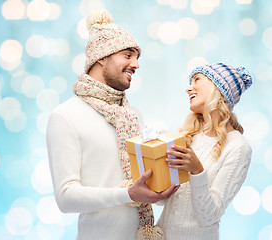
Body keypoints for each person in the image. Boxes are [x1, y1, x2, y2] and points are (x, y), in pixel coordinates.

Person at [46, 9, 176, 240]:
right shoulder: (65, 116)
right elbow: (65, 198)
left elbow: (144, 184)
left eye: (137, 57)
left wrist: (164, 185)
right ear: (102, 56)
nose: (136, 64)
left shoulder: (132, 115)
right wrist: (127, 194)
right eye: (128, 55)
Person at [156, 63, 253, 239]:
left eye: (197, 79)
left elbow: (209, 216)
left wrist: (197, 171)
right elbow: (164, 201)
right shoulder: (189, 135)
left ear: (218, 88)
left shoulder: (238, 147)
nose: (188, 88)